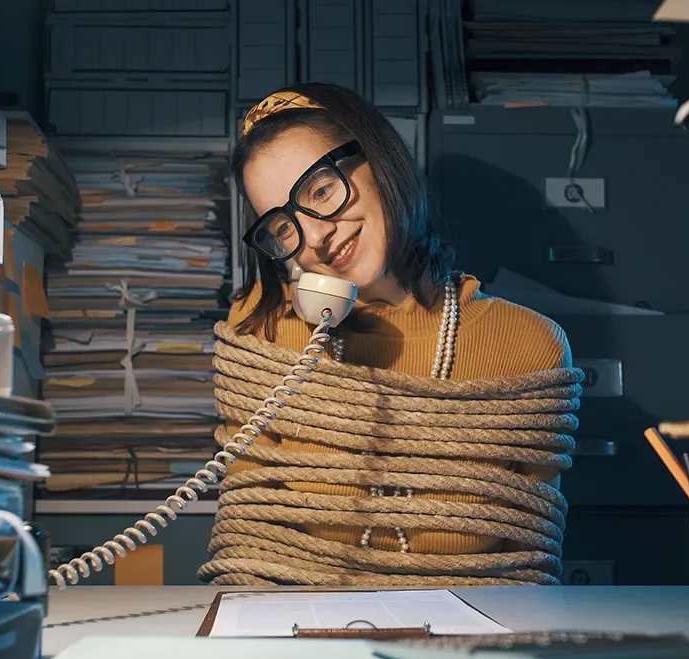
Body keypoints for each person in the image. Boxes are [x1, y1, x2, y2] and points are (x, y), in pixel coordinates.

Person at [200, 83, 579, 586]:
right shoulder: (263, 331)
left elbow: (524, 568)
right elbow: (247, 543)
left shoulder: (530, 344)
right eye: (283, 224)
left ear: (381, 161)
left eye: (320, 190)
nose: (314, 236)